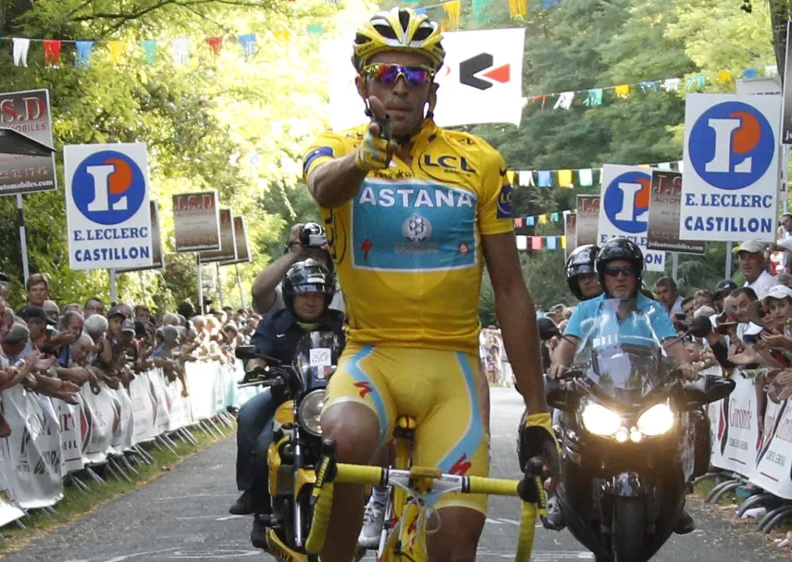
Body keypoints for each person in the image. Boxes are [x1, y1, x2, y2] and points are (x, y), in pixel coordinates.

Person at [300, 8, 555, 560]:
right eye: (385, 74)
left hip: (453, 368)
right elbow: (323, 187)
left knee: (454, 543)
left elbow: (510, 290)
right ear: (362, 83)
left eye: (414, 77)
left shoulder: (479, 160)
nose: (399, 88)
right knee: (342, 438)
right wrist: (361, 162)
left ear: (432, 87)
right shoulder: (336, 146)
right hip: (372, 356)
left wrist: (537, 409)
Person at [547, 238, 698, 532]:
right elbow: (569, 345)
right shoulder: (587, 310)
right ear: (603, 275)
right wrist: (560, 365)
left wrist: (684, 364)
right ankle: (556, 493)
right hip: (596, 392)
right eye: (613, 271)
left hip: (647, 394)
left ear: (637, 275)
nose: (620, 277)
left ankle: (678, 499)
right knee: (557, 423)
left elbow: (672, 345)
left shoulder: (654, 310)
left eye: (626, 271)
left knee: (684, 425)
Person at [229, 260, 345, 548]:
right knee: (253, 424)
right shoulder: (275, 322)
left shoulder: (341, 323)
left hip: (331, 398)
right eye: (303, 295)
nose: (310, 301)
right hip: (284, 396)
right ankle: (257, 504)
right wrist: (255, 366)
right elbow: (257, 351)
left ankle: (370, 499)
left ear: (327, 297)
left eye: (317, 295)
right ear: (291, 297)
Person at [251, 222, 345, 314]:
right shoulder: (283, 292)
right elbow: (258, 292)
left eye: (320, 256)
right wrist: (294, 252)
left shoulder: (341, 292)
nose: (312, 261)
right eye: (304, 254)